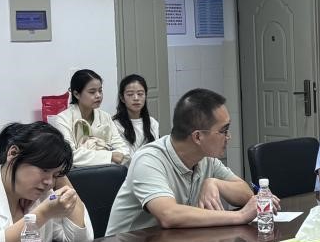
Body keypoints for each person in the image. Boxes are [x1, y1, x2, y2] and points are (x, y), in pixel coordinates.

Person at [106, 88, 276, 233]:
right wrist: (240, 216)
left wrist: (215, 183)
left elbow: (246, 194)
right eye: (223, 131)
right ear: (198, 137)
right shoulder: (148, 160)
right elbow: (168, 215)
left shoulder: (206, 158)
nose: (228, 137)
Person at [49, 70, 130, 168]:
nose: (98, 95)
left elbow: (124, 152)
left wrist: (107, 158)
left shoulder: (105, 117)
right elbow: (69, 155)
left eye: (100, 90)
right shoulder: (63, 119)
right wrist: (110, 156)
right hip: (76, 174)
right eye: (92, 92)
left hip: (108, 172)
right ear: (76, 94)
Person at [112, 74, 159, 150]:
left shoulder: (153, 123)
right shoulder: (115, 125)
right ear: (122, 98)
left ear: (145, 96)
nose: (136, 98)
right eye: (130, 94)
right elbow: (123, 154)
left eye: (140, 94)